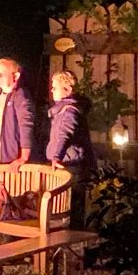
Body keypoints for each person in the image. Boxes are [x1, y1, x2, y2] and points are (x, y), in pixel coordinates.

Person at [44, 69, 93, 222]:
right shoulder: (62, 111)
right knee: (72, 207)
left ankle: (75, 240)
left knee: (73, 207)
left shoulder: (69, 112)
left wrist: (55, 157)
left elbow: (64, 134)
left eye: (55, 86)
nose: (52, 90)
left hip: (71, 165)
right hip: (70, 164)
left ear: (68, 90)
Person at [0, 56, 35, 165]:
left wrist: (24, 157)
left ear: (15, 76)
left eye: (2, 74)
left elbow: (26, 125)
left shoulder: (20, 96)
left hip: (12, 158)